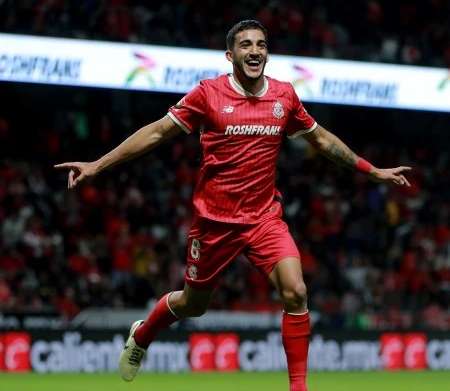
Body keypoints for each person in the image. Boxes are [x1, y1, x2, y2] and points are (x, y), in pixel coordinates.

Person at [54, 20, 411, 391]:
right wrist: (97, 165)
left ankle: (298, 387)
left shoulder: (284, 96)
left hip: (264, 218)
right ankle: (143, 335)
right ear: (230, 55)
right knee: (193, 305)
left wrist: (371, 170)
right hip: (215, 223)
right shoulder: (207, 94)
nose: (254, 51)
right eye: (245, 45)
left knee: (296, 291)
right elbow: (158, 132)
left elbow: (320, 139)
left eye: (261, 44)